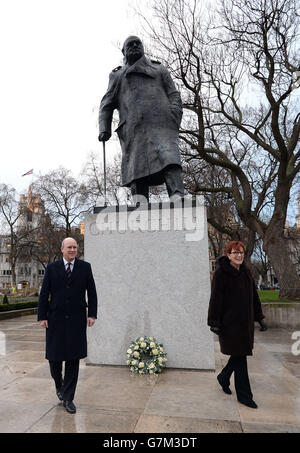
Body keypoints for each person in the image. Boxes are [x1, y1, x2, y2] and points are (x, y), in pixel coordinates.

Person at [98, 35, 185, 203]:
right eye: (131, 44)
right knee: (136, 169)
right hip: (134, 130)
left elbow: (173, 94)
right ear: (123, 51)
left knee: (170, 159)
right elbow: (106, 104)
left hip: (162, 125)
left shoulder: (159, 69)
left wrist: (175, 115)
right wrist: (104, 128)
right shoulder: (117, 76)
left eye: (138, 43)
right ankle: (139, 202)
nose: (135, 46)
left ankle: (177, 196)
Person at [38, 237, 98, 414]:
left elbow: (92, 293)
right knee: (54, 358)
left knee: (73, 358)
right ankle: (59, 385)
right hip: (55, 319)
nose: (72, 250)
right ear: (62, 249)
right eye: (69, 247)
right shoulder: (52, 268)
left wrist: (92, 314)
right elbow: (44, 294)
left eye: (75, 247)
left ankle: (68, 397)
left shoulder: (85, 267)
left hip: (76, 319)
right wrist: (42, 316)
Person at [207, 241, 267, 409]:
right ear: (228, 255)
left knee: (239, 356)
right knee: (240, 359)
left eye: (241, 253)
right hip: (229, 324)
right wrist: (214, 322)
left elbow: (254, 297)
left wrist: (260, 317)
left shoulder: (246, 272)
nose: (239, 255)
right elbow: (216, 299)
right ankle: (245, 396)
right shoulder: (221, 274)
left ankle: (224, 377)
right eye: (235, 252)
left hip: (245, 324)